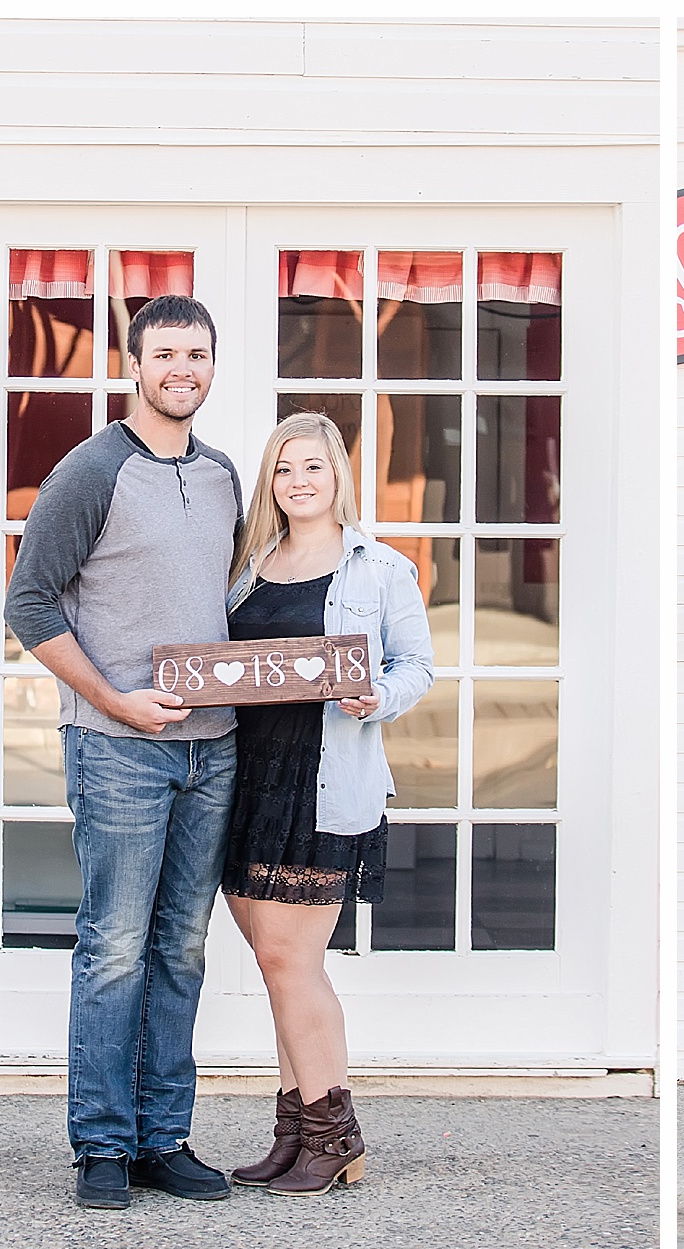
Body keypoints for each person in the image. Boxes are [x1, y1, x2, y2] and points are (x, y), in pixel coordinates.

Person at [7, 294, 242, 1210]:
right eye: (166, 354)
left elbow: (226, 605)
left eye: (198, 354)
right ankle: (101, 1146)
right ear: (134, 365)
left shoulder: (222, 475)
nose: (183, 369)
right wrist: (114, 700)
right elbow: (30, 605)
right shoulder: (91, 470)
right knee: (112, 947)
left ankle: (163, 1138)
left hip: (212, 749)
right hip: (117, 750)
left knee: (181, 949)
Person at [221, 412, 434, 1197]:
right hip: (241, 781)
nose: (298, 481)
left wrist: (377, 697)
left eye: (312, 467)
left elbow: (418, 665)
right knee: (279, 966)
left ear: (337, 475)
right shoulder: (246, 564)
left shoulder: (380, 569)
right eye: (283, 469)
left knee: (290, 960)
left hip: (322, 783)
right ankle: (295, 1134)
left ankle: (335, 1134)